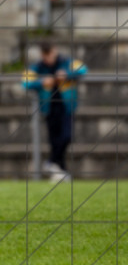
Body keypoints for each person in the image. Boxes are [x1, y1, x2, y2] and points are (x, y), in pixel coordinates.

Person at [23, 43, 87, 181]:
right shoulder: (38, 67)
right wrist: (42, 82)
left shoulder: (66, 62)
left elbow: (83, 70)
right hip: (49, 108)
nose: (48, 58)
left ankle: (52, 161)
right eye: (46, 55)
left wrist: (67, 75)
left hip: (66, 106)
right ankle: (60, 170)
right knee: (54, 140)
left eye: (50, 54)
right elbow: (25, 81)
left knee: (66, 136)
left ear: (55, 51)